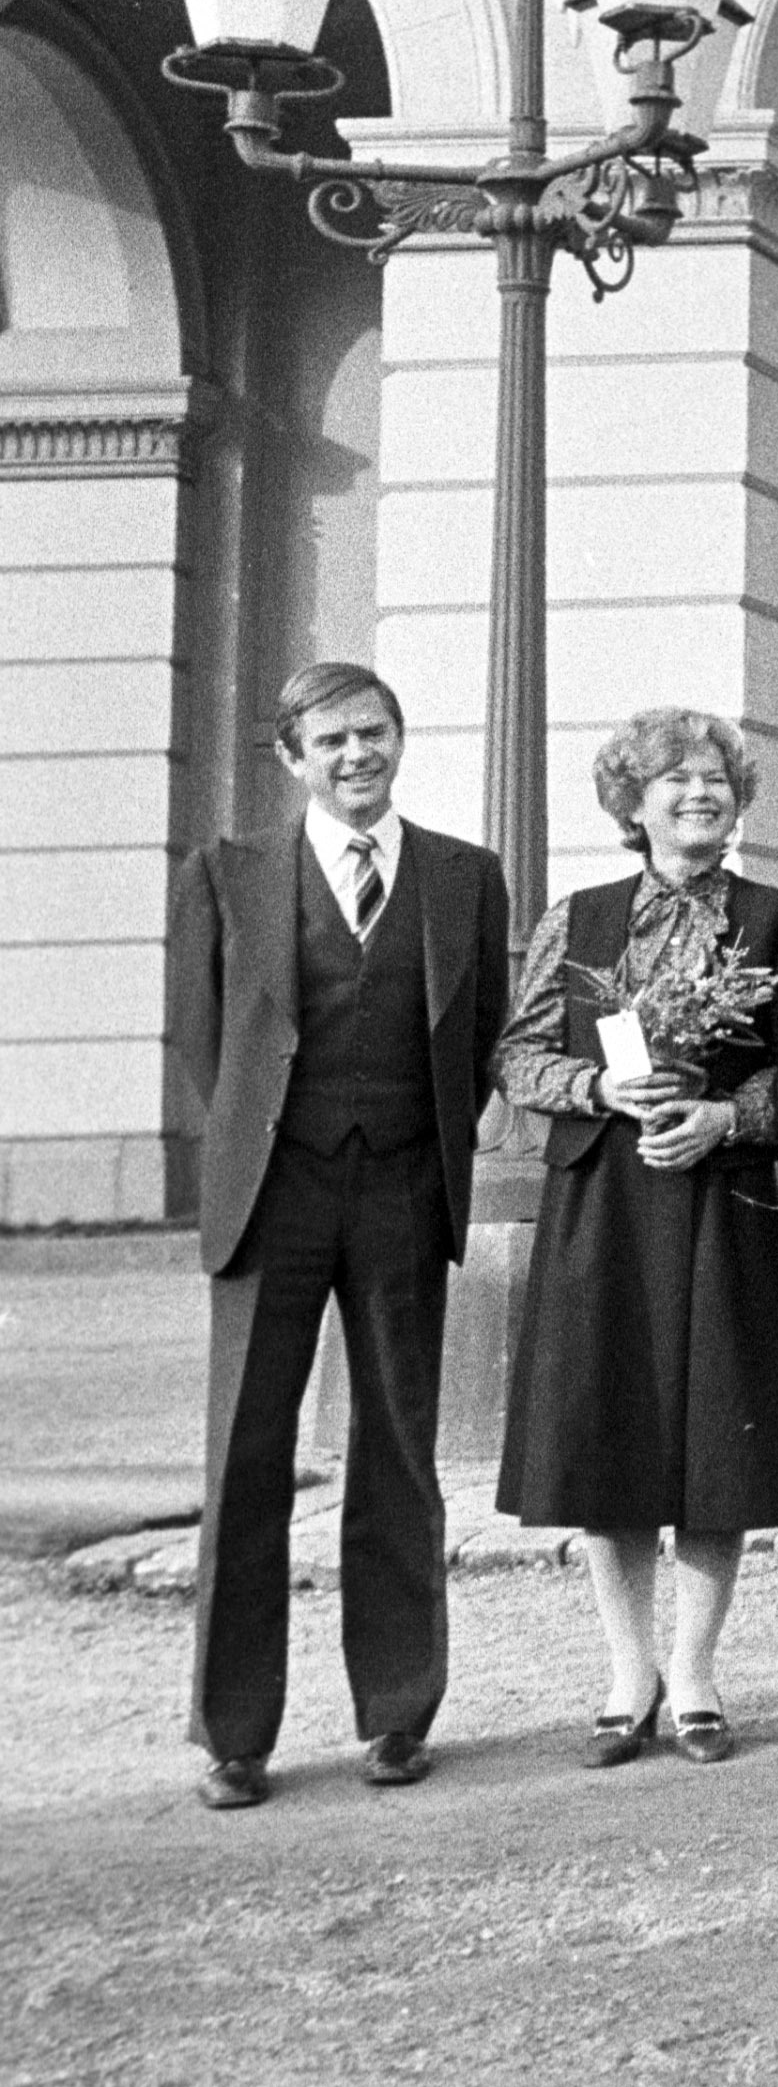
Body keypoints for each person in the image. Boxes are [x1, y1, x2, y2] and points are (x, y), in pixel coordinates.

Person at [167, 661, 510, 1808]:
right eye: (331, 741)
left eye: (373, 733)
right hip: (275, 1197)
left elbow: (476, 1039)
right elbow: (202, 1041)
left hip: (405, 1191)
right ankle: (234, 1735)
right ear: (292, 757)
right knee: (246, 1456)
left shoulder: (466, 876)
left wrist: (411, 1139)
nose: (356, 755)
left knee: (400, 1451)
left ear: (399, 739)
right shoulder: (229, 872)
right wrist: (269, 1143)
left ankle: (399, 1714)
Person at [494, 709, 778, 1766]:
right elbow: (520, 1053)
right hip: (605, 1205)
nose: (698, 793)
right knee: (609, 1430)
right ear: (632, 803)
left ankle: (698, 1674)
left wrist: (732, 1116)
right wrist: (600, 1085)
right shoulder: (578, 918)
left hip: (718, 1196)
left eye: (715, 777)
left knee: (721, 1435)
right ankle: (629, 1674)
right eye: (673, 779)